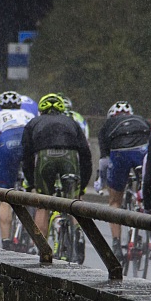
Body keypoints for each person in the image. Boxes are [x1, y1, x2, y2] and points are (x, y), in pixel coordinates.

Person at [21, 93, 92, 237]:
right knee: (73, 202)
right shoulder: (71, 122)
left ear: (41, 111)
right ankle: (77, 236)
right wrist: (82, 185)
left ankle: (41, 250)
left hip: (45, 157)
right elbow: (85, 154)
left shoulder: (34, 122)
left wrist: (31, 183)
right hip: (69, 156)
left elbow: (26, 156)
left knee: (43, 205)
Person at [96, 101, 151, 259]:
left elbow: (104, 161)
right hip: (142, 150)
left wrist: (102, 181)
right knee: (149, 192)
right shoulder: (140, 119)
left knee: (114, 201)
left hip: (120, 153)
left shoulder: (108, 125)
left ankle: (116, 243)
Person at [0, 90, 35, 250]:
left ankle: (6, 242)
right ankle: (34, 238)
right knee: (33, 189)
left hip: (7, 144)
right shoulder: (29, 115)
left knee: (6, 196)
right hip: (28, 144)